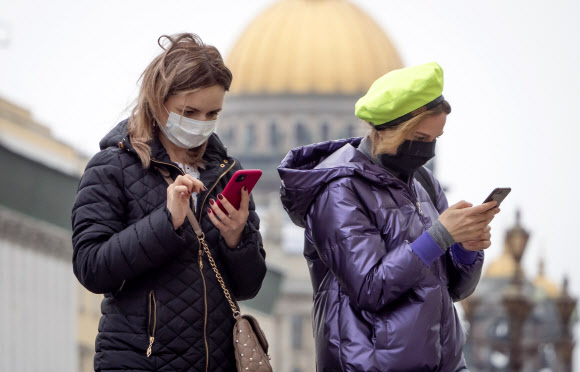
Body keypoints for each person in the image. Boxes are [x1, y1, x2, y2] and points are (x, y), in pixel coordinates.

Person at [278, 62, 499, 372]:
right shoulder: (339, 191)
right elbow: (371, 288)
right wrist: (440, 236)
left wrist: (467, 247)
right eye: (421, 139)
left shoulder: (423, 183)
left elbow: (454, 290)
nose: (428, 150)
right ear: (388, 130)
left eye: (435, 139)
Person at [72, 33, 267, 372]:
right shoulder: (112, 167)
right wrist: (166, 222)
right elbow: (92, 267)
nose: (201, 124)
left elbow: (248, 286)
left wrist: (238, 239)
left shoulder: (225, 173)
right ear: (158, 100)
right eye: (188, 111)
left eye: (212, 113)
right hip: (139, 361)